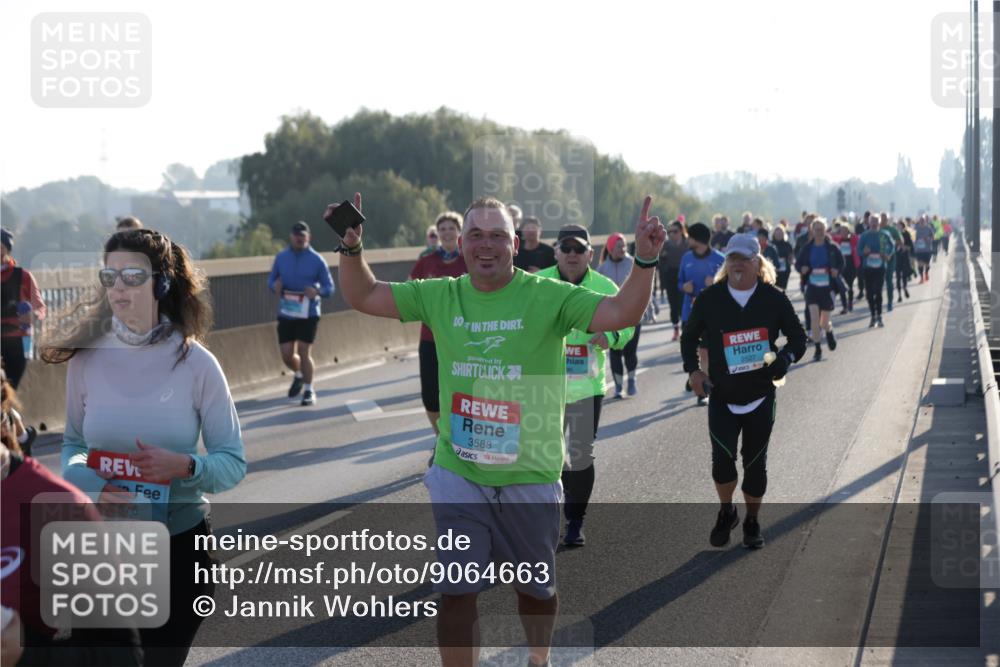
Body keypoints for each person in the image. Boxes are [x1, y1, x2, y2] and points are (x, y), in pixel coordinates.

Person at [330, 191, 664, 667]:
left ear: (515, 244)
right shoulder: (439, 294)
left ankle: (537, 658)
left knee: (535, 591)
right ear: (462, 243)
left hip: (530, 473)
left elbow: (621, 314)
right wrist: (350, 248)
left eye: (498, 236)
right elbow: (363, 294)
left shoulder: (548, 295)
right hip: (459, 472)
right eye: (476, 235)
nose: (486, 245)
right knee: (456, 589)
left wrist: (646, 260)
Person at [42, 228, 247, 667]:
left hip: (178, 548)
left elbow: (232, 463)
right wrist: (90, 485)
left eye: (132, 276)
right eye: (110, 276)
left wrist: (186, 466)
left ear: (162, 282)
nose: (118, 287)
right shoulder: (85, 359)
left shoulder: (196, 364)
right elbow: (73, 445)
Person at [681, 233, 807, 549]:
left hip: (761, 395)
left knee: (754, 466)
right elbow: (689, 338)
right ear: (727, 263)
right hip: (722, 395)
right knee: (722, 464)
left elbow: (798, 339)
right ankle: (727, 511)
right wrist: (694, 371)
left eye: (744, 258)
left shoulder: (774, 298)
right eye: (732, 258)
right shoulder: (710, 299)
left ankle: (752, 520)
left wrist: (784, 358)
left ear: (756, 262)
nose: (737, 263)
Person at [537, 225, 634, 547]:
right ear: (556, 252)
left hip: (585, 387)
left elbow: (628, 321)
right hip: (543, 386)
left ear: (591, 254)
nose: (573, 255)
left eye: (579, 249)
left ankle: (575, 521)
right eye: (566, 248)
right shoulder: (537, 283)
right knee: (545, 455)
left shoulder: (604, 285)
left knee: (579, 455)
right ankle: (542, 519)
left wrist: (613, 336)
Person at [409, 212, 468, 436]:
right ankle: (441, 438)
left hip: (463, 338)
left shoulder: (468, 260)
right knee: (431, 397)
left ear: (459, 232)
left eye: (451, 228)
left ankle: (462, 441)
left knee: (461, 393)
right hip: (431, 337)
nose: (446, 233)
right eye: (442, 229)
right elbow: (410, 291)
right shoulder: (427, 261)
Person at [267, 221, 335, 406]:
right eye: (297, 235)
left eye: (303, 236)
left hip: (309, 312)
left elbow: (330, 287)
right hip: (287, 311)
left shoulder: (317, 260)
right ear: (291, 237)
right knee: (287, 354)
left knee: (304, 351)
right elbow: (271, 280)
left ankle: (309, 390)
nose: (299, 238)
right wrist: (275, 286)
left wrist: (317, 290)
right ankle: (298, 374)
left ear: (308, 237)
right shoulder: (281, 258)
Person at [678, 222, 725, 405]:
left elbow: (729, 287)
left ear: (696, 239)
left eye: (689, 236)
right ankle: (694, 374)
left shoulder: (720, 259)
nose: (687, 239)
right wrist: (684, 287)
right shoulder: (686, 258)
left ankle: (701, 391)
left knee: (705, 352)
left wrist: (715, 284)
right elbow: (678, 283)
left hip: (711, 314)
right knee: (690, 349)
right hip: (689, 312)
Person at [598, 233, 646, 397]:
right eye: (618, 246)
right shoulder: (603, 268)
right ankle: (618, 387)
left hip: (633, 314)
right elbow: (595, 291)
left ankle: (631, 380)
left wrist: (650, 308)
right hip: (611, 316)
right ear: (610, 248)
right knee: (615, 352)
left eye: (624, 245)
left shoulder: (633, 263)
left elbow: (644, 286)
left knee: (630, 352)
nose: (623, 249)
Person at [1, 230, 46, 391]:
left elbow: (40, 307)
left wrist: (33, 316)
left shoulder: (23, 276)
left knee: (9, 390)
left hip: (19, 340)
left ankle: (10, 414)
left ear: (6, 249)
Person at [795, 219, 843, 361]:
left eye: (821, 229)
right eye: (816, 229)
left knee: (824, 322)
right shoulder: (807, 248)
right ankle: (817, 349)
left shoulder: (832, 247)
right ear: (812, 231)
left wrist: (836, 270)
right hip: (812, 288)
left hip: (827, 288)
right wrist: (802, 269)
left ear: (825, 230)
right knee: (814, 320)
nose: (819, 232)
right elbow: (798, 265)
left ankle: (829, 330)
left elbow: (841, 263)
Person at [856, 217, 893, 327]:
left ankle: (879, 316)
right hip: (868, 268)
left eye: (876, 221)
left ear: (879, 223)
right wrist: (864, 252)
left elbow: (892, 246)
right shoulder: (864, 236)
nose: (874, 223)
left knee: (878, 291)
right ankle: (873, 316)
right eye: (872, 221)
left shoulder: (884, 234)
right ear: (869, 223)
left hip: (880, 267)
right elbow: (858, 251)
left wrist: (887, 255)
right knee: (869, 294)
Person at [659, 220, 689, 341]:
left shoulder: (687, 244)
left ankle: (685, 328)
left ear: (681, 231)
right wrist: (662, 257)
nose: (672, 234)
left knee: (684, 302)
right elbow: (659, 261)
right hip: (670, 276)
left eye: (675, 231)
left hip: (685, 275)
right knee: (673, 304)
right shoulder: (666, 244)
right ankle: (676, 329)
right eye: (669, 231)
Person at [832, 222, 859, 313]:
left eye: (845, 230)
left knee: (850, 285)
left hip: (851, 266)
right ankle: (845, 306)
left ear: (848, 231)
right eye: (841, 231)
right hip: (841, 266)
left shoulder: (853, 239)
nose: (843, 232)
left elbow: (856, 239)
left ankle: (850, 302)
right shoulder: (837, 240)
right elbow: (831, 237)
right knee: (841, 287)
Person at [878, 213, 902, 312]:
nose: (883, 221)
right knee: (878, 281)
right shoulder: (876, 229)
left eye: (885, 219)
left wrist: (891, 245)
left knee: (888, 280)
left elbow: (900, 241)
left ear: (888, 220)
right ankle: (878, 303)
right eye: (882, 219)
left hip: (890, 258)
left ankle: (890, 302)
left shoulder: (892, 230)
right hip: (877, 259)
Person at [771, 226, 795, 290]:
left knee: (782, 289)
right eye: (777, 234)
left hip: (785, 270)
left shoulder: (787, 244)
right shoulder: (770, 245)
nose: (779, 235)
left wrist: (790, 261)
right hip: (773, 270)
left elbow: (791, 256)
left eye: (780, 234)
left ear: (783, 234)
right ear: (774, 234)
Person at [895, 220, 913, 301]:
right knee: (898, 277)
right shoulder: (894, 235)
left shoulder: (906, 234)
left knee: (904, 276)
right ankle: (899, 295)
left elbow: (910, 247)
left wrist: (903, 247)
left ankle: (905, 288)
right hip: (897, 257)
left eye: (899, 225)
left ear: (903, 226)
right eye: (897, 226)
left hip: (905, 257)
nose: (898, 227)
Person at [913, 216, 935, 282]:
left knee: (927, 263)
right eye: (921, 220)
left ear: (925, 221)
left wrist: (928, 239)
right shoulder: (915, 229)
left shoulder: (928, 228)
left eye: (923, 220)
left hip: (927, 249)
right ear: (919, 221)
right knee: (920, 264)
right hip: (918, 250)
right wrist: (914, 241)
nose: (922, 222)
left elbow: (933, 237)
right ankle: (921, 277)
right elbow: (912, 237)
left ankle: (926, 273)